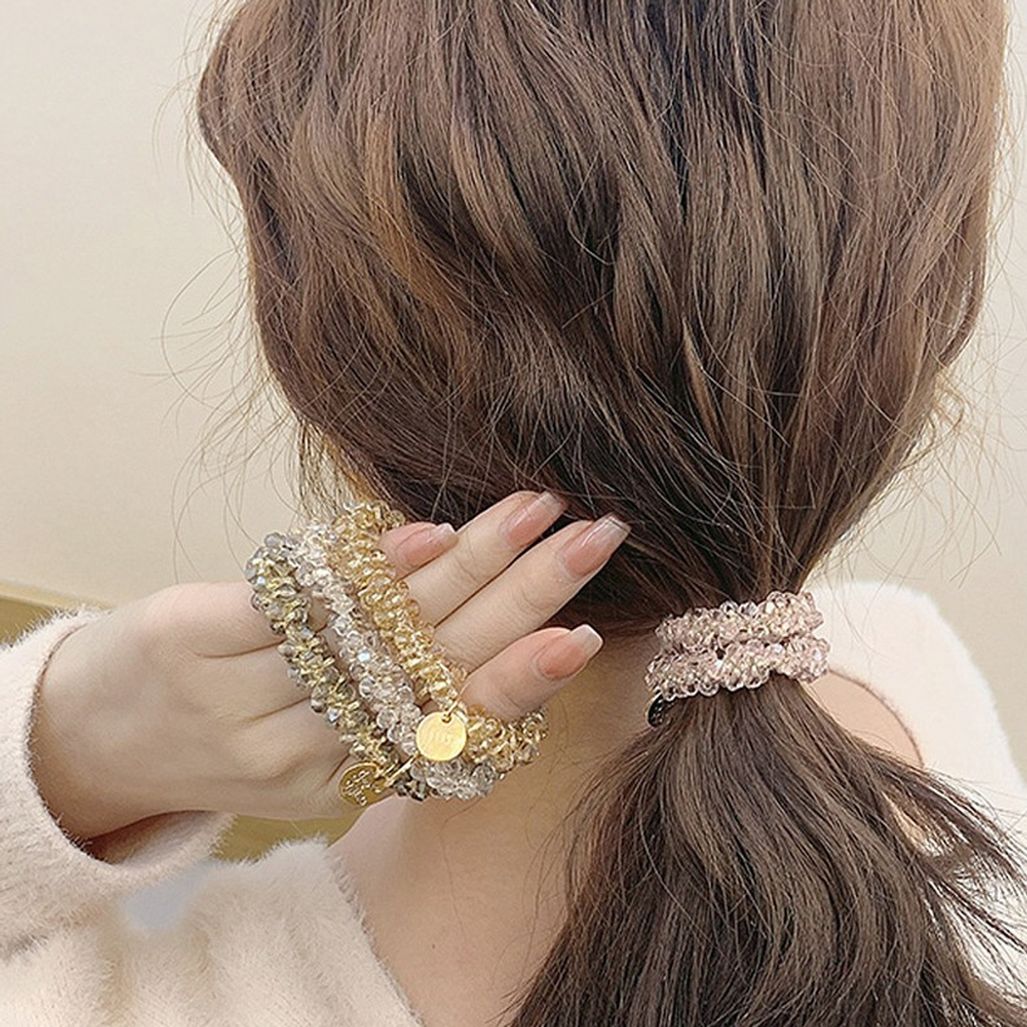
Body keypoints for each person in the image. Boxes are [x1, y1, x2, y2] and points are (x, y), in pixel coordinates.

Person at [3, 1, 1026, 1025]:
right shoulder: (908, 667)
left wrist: (71, 741)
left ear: (330, 368)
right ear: (917, 330)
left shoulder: (95, 1001)